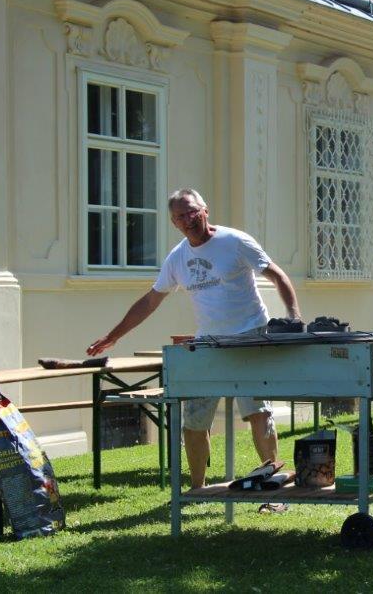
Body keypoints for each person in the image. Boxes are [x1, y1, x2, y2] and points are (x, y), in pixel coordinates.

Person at [87, 188, 302, 502]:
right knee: (194, 419)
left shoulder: (235, 241)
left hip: (250, 335)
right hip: (208, 343)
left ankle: (272, 491)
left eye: (191, 212)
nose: (188, 220)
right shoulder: (178, 258)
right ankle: (197, 491)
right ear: (174, 223)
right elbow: (150, 301)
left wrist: (294, 316)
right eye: (180, 216)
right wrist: (115, 335)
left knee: (259, 412)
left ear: (205, 210)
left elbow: (277, 276)